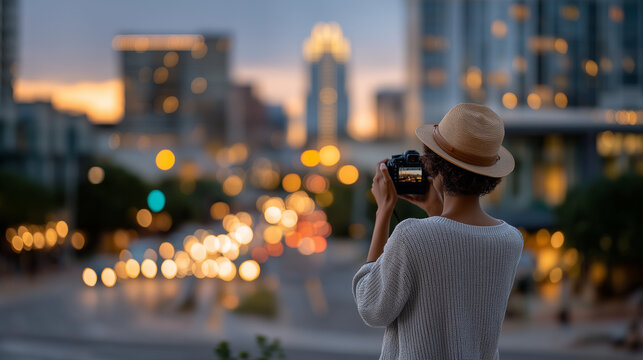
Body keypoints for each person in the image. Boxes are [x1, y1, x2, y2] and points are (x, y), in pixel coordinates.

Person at [353, 103, 524, 359]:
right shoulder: (511, 240)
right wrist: (436, 210)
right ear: (490, 173)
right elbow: (455, 268)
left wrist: (383, 211)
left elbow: (371, 306)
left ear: (435, 166)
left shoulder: (411, 236)